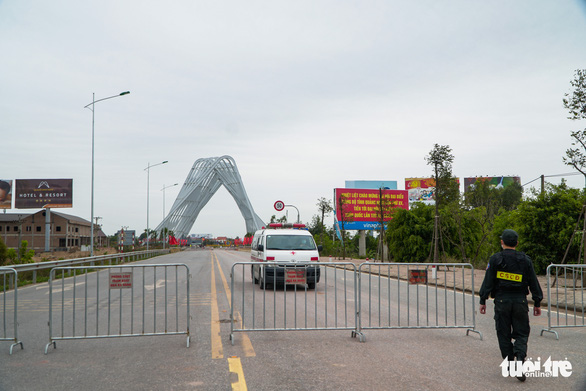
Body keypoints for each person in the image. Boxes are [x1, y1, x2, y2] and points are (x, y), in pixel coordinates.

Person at [479, 229, 543, 382]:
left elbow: (488, 281)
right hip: (520, 302)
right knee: (521, 333)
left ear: (502, 242)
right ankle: (520, 359)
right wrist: (537, 302)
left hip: (502, 302)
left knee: (503, 333)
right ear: (517, 243)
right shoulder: (525, 260)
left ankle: (509, 362)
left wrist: (483, 300)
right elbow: (533, 282)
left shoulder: (495, 259)